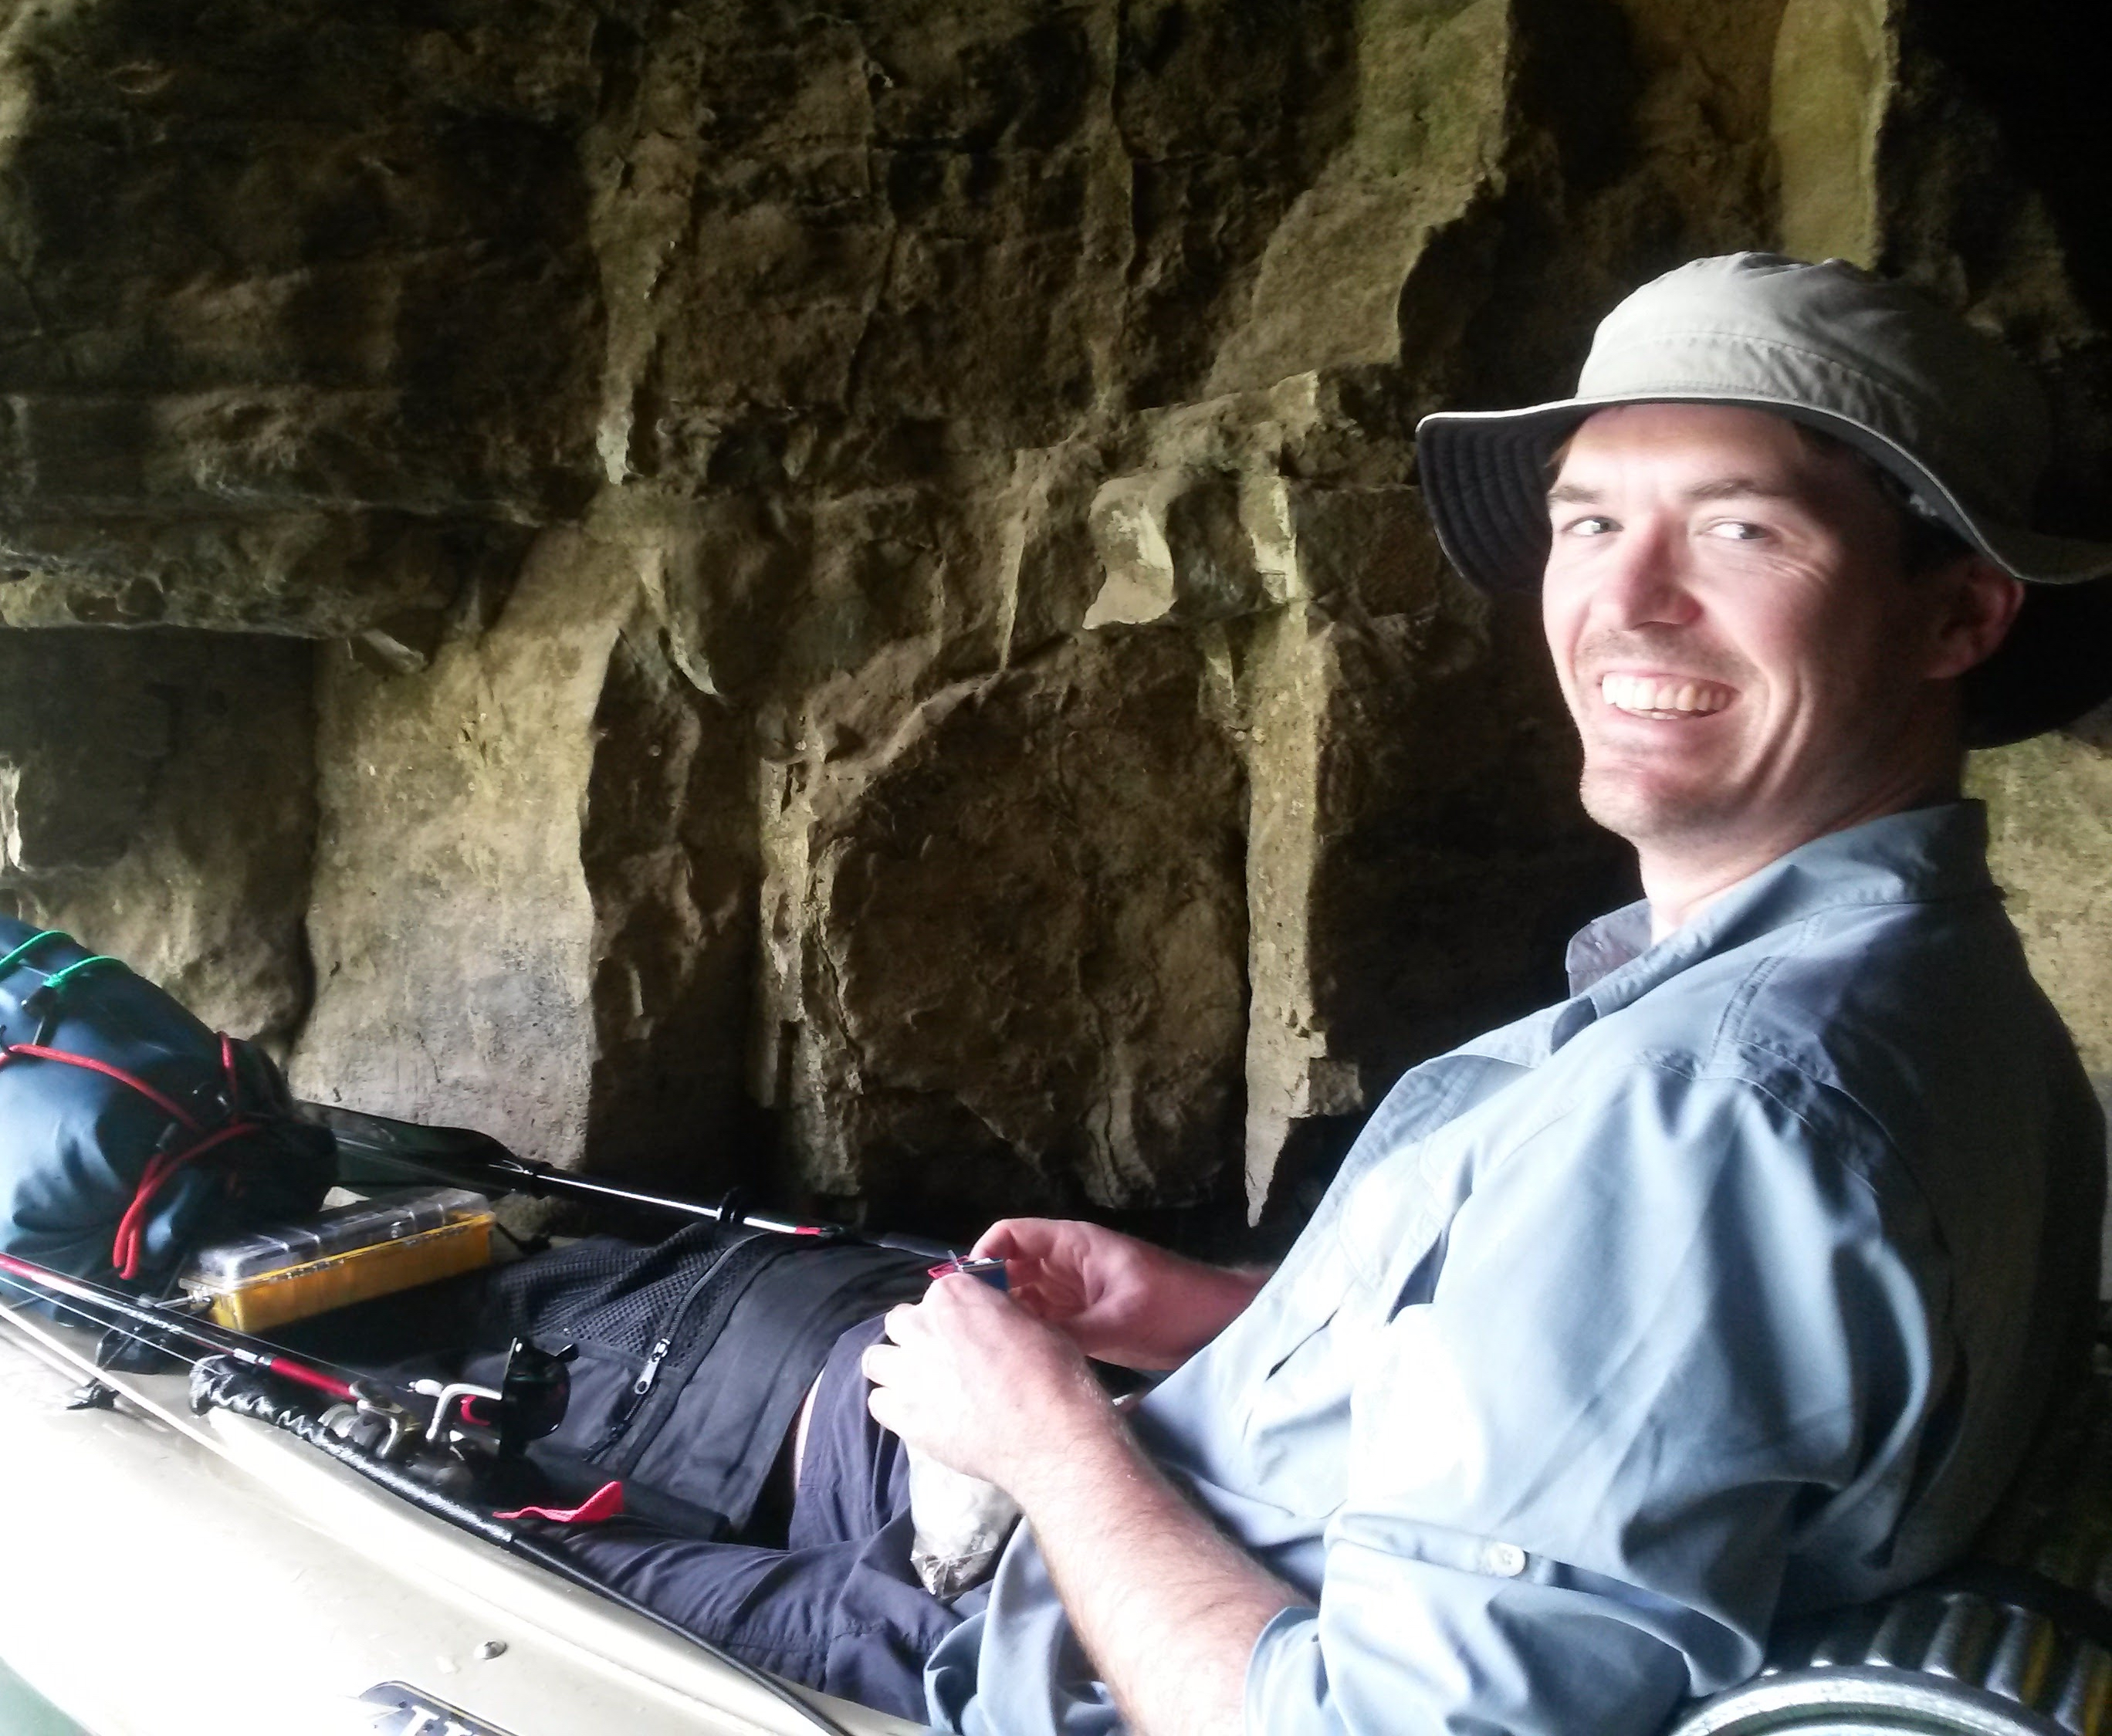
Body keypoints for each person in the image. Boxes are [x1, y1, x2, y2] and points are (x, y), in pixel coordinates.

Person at [560, 253, 2112, 1734]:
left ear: (1958, 616)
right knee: (662, 1318)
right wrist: (1216, 1317)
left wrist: (1049, 1439)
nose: (1625, 602)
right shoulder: (1954, 1003)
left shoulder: (1713, 1112)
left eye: (1740, 533)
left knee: (463, 1504)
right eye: (1587, 524)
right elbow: (1628, 1414)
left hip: (1028, 1654)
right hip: (1146, 1523)